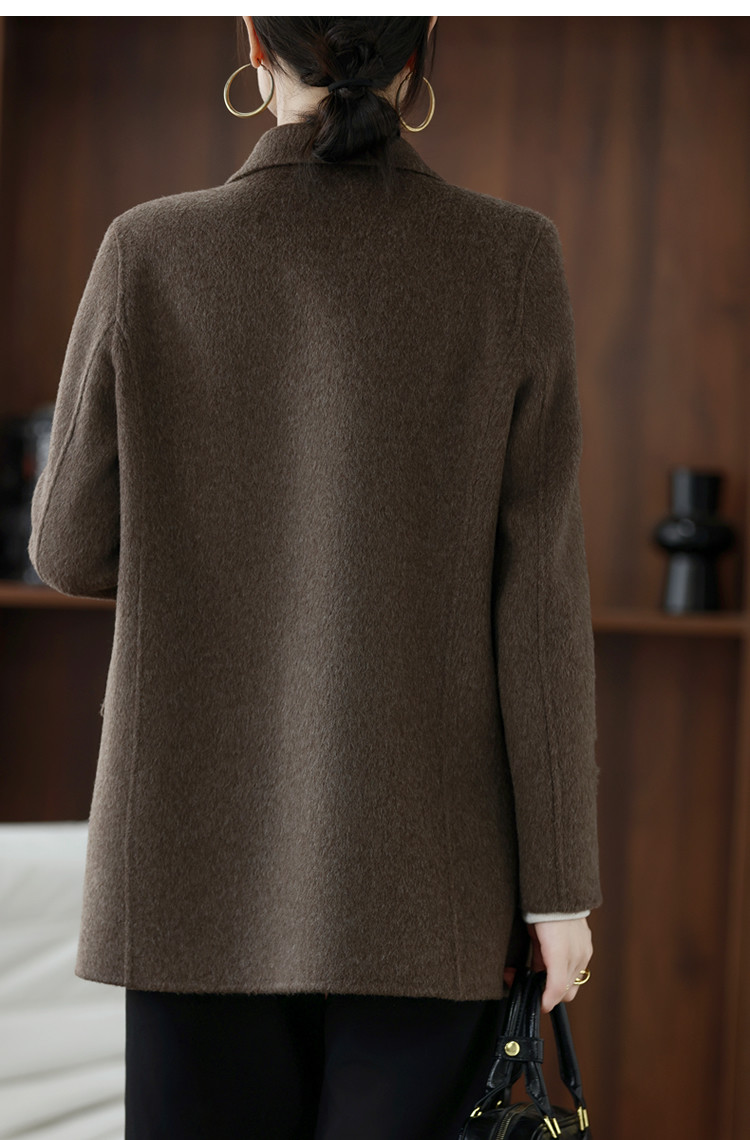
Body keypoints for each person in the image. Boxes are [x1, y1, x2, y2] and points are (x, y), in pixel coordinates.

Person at [28, 15, 601, 1140]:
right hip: (434, 892)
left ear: (254, 45)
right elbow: (539, 606)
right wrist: (559, 892)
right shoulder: (510, 258)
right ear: (419, 53)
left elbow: (67, 548)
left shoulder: (149, 250)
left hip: (192, 873)